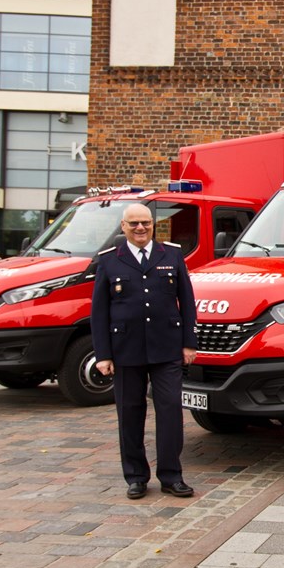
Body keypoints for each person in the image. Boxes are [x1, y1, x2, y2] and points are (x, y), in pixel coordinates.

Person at [90, 203, 198, 499]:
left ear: (153, 225)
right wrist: (103, 354)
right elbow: (99, 312)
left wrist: (189, 342)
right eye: (134, 223)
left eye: (146, 223)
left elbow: (187, 301)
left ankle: (171, 476)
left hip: (167, 347)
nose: (141, 228)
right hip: (126, 349)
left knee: (170, 412)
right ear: (123, 227)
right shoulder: (110, 260)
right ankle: (136, 476)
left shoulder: (171, 255)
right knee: (130, 413)